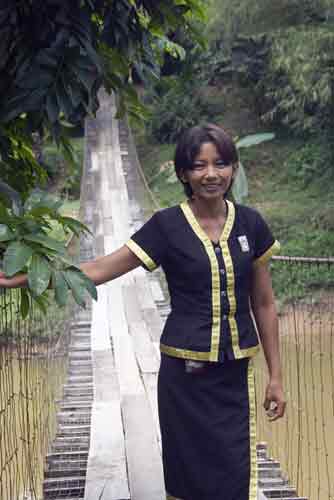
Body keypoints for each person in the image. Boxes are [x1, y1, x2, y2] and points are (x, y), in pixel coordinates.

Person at [0, 123, 285, 500]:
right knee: (188, 475)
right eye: (199, 166)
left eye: (221, 164)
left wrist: (276, 376)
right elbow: (102, 268)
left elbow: (263, 302)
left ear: (233, 168)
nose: (211, 174)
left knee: (235, 471)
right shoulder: (167, 226)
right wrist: (20, 278)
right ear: (183, 173)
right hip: (185, 375)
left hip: (233, 374)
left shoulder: (251, 224)